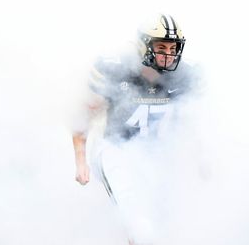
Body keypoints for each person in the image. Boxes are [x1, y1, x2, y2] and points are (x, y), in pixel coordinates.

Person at [71, 13, 199, 245]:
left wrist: (200, 158)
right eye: (161, 47)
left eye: (173, 49)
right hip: (116, 149)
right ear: (144, 46)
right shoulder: (116, 71)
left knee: (167, 222)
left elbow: (191, 122)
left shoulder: (184, 76)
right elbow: (83, 117)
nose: (168, 55)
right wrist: (81, 161)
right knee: (138, 226)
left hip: (156, 153)